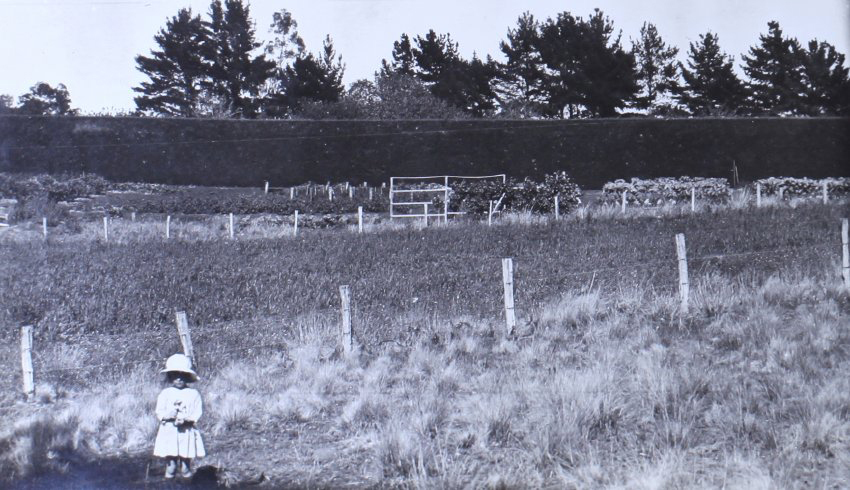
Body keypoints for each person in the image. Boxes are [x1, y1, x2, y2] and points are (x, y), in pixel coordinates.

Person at [153, 353, 206, 479]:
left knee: (185, 466)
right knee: (171, 466)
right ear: (170, 377)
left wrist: (187, 419)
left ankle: (187, 482)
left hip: (185, 431)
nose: (179, 379)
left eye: (182, 376)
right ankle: (169, 483)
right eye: (175, 376)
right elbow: (159, 411)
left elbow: (197, 412)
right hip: (169, 432)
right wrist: (167, 415)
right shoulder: (166, 393)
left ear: (188, 377)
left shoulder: (193, 394)